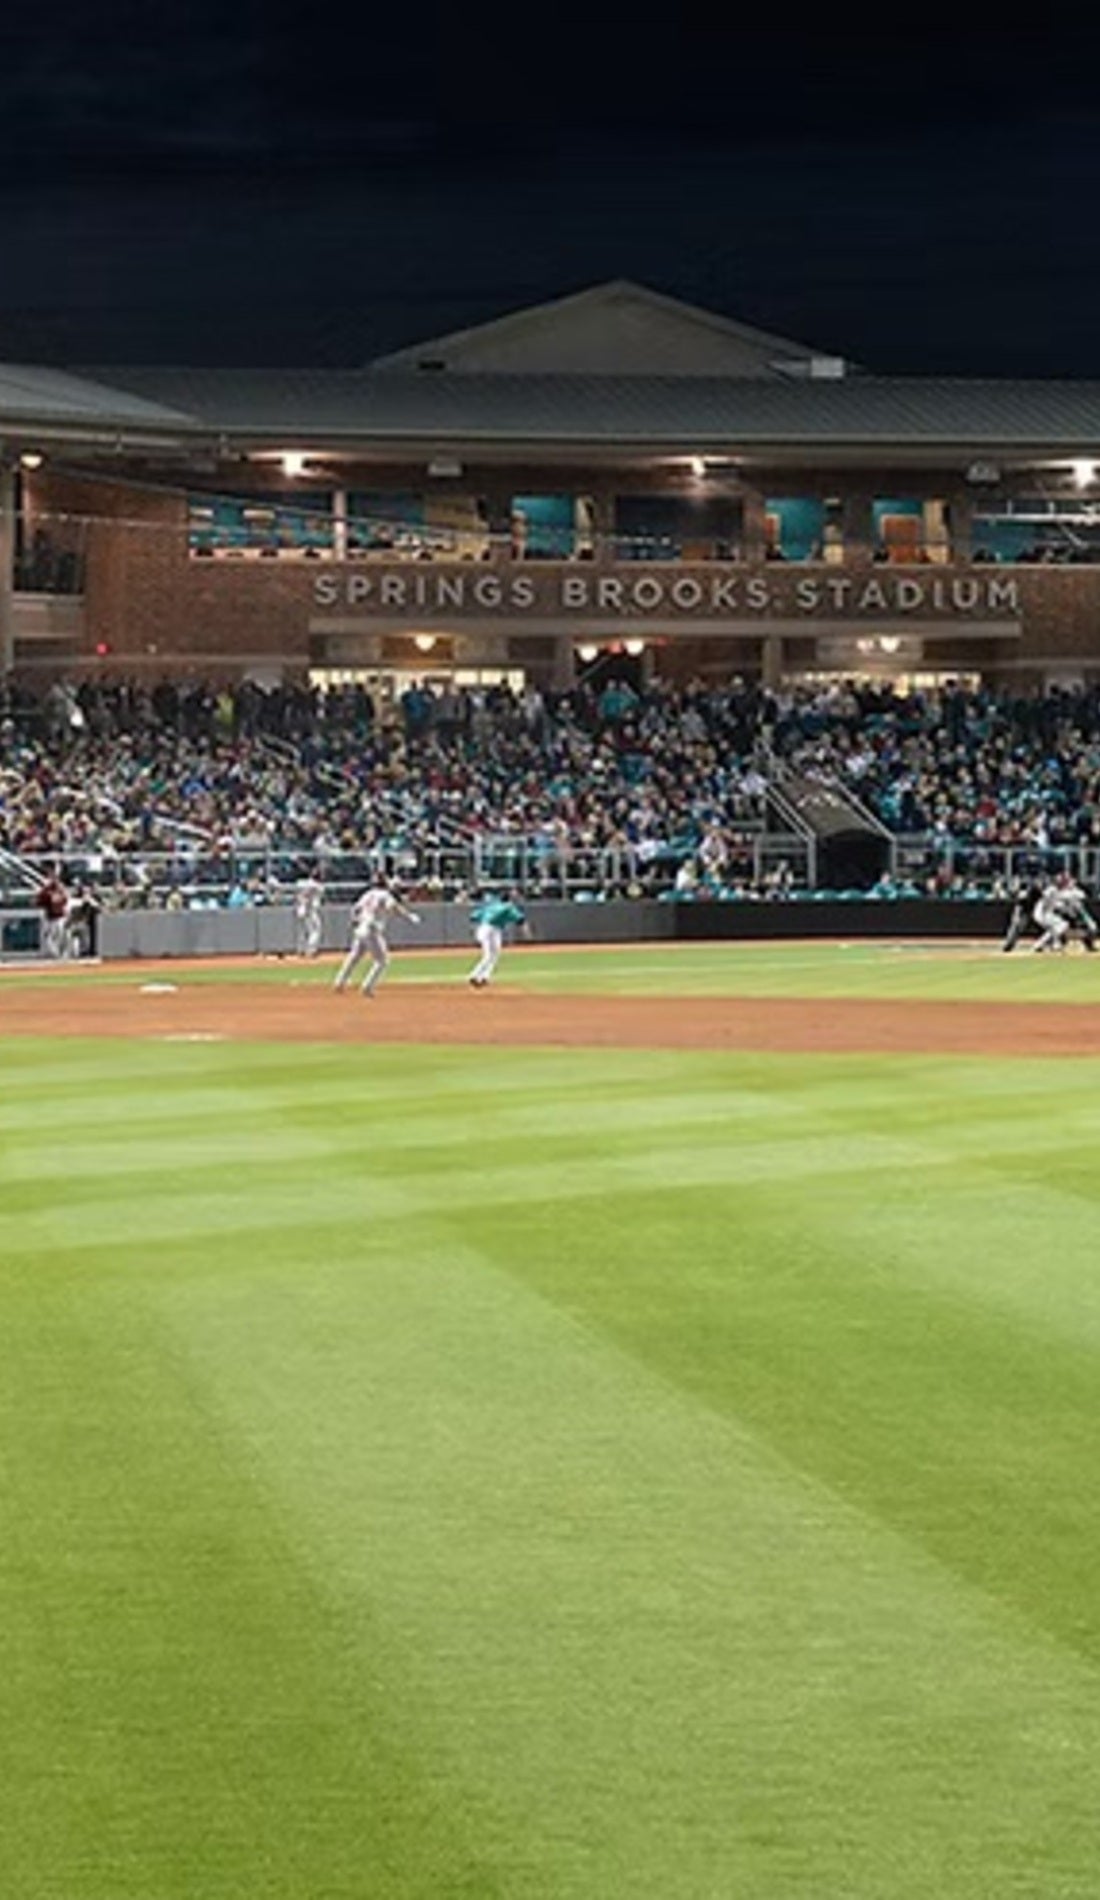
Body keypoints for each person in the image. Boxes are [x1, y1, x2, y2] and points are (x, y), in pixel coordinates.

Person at [333, 879, 421, 996]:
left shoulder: (367, 894)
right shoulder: (384, 895)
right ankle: (367, 987)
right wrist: (409, 916)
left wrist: (354, 921)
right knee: (382, 960)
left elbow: (355, 909)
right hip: (372, 928)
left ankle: (340, 982)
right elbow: (393, 907)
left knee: (354, 956)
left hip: (361, 927)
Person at [468, 889, 528, 988]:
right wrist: (525, 929)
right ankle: (474, 975)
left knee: (494, 954)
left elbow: (474, 916)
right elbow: (520, 919)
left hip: (487, 928)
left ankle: (485, 977)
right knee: (489, 955)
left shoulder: (492, 904)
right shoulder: (508, 906)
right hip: (489, 929)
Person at [36, 870, 70, 959]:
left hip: (60, 916)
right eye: (51, 878)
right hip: (50, 917)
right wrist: (44, 894)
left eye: (55, 878)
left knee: (61, 935)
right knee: (48, 936)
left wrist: (57, 898)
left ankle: (62, 954)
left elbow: (65, 900)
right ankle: (53, 954)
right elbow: (39, 902)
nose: (53, 880)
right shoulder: (46, 890)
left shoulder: (61, 889)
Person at [294, 867, 324, 958]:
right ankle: (311, 951)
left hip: (300, 909)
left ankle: (300, 950)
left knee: (302, 931)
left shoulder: (300, 883)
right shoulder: (319, 886)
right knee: (315, 930)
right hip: (311, 910)